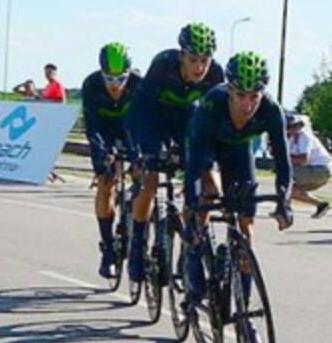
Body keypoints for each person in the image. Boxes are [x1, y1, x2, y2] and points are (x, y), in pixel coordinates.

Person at [182, 51, 294, 343]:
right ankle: (193, 254)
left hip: (238, 154)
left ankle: (243, 315)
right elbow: (193, 166)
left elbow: (283, 161)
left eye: (254, 96)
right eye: (241, 96)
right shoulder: (210, 105)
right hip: (205, 150)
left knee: (246, 228)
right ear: (229, 90)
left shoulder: (270, 110)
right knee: (206, 194)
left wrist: (285, 201)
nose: (248, 104)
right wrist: (193, 207)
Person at [126, 22, 225, 283]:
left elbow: (219, 118)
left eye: (204, 60)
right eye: (193, 60)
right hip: (154, 121)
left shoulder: (216, 74)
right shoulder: (163, 64)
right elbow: (137, 110)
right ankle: (137, 244)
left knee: (208, 185)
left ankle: (190, 245)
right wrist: (137, 152)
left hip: (187, 123)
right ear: (181, 55)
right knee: (150, 180)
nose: (199, 67)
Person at [82, 42, 143, 278]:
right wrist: (101, 159)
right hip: (104, 131)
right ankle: (108, 247)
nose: (115, 86)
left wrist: (140, 155)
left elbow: (147, 122)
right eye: (109, 79)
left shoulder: (139, 84)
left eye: (120, 79)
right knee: (106, 181)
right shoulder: (92, 85)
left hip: (131, 129)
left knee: (143, 175)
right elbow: (92, 128)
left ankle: (133, 201)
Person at [286, 113, 332, 217]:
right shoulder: (290, 139)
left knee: (284, 173)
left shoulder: (304, 136)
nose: (290, 129)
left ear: (299, 126)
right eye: (288, 126)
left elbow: (303, 159)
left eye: (293, 126)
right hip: (312, 171)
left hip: (320, 170)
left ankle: (283, 210)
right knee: (289, 190)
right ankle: (321, 204)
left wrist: (284, 157)